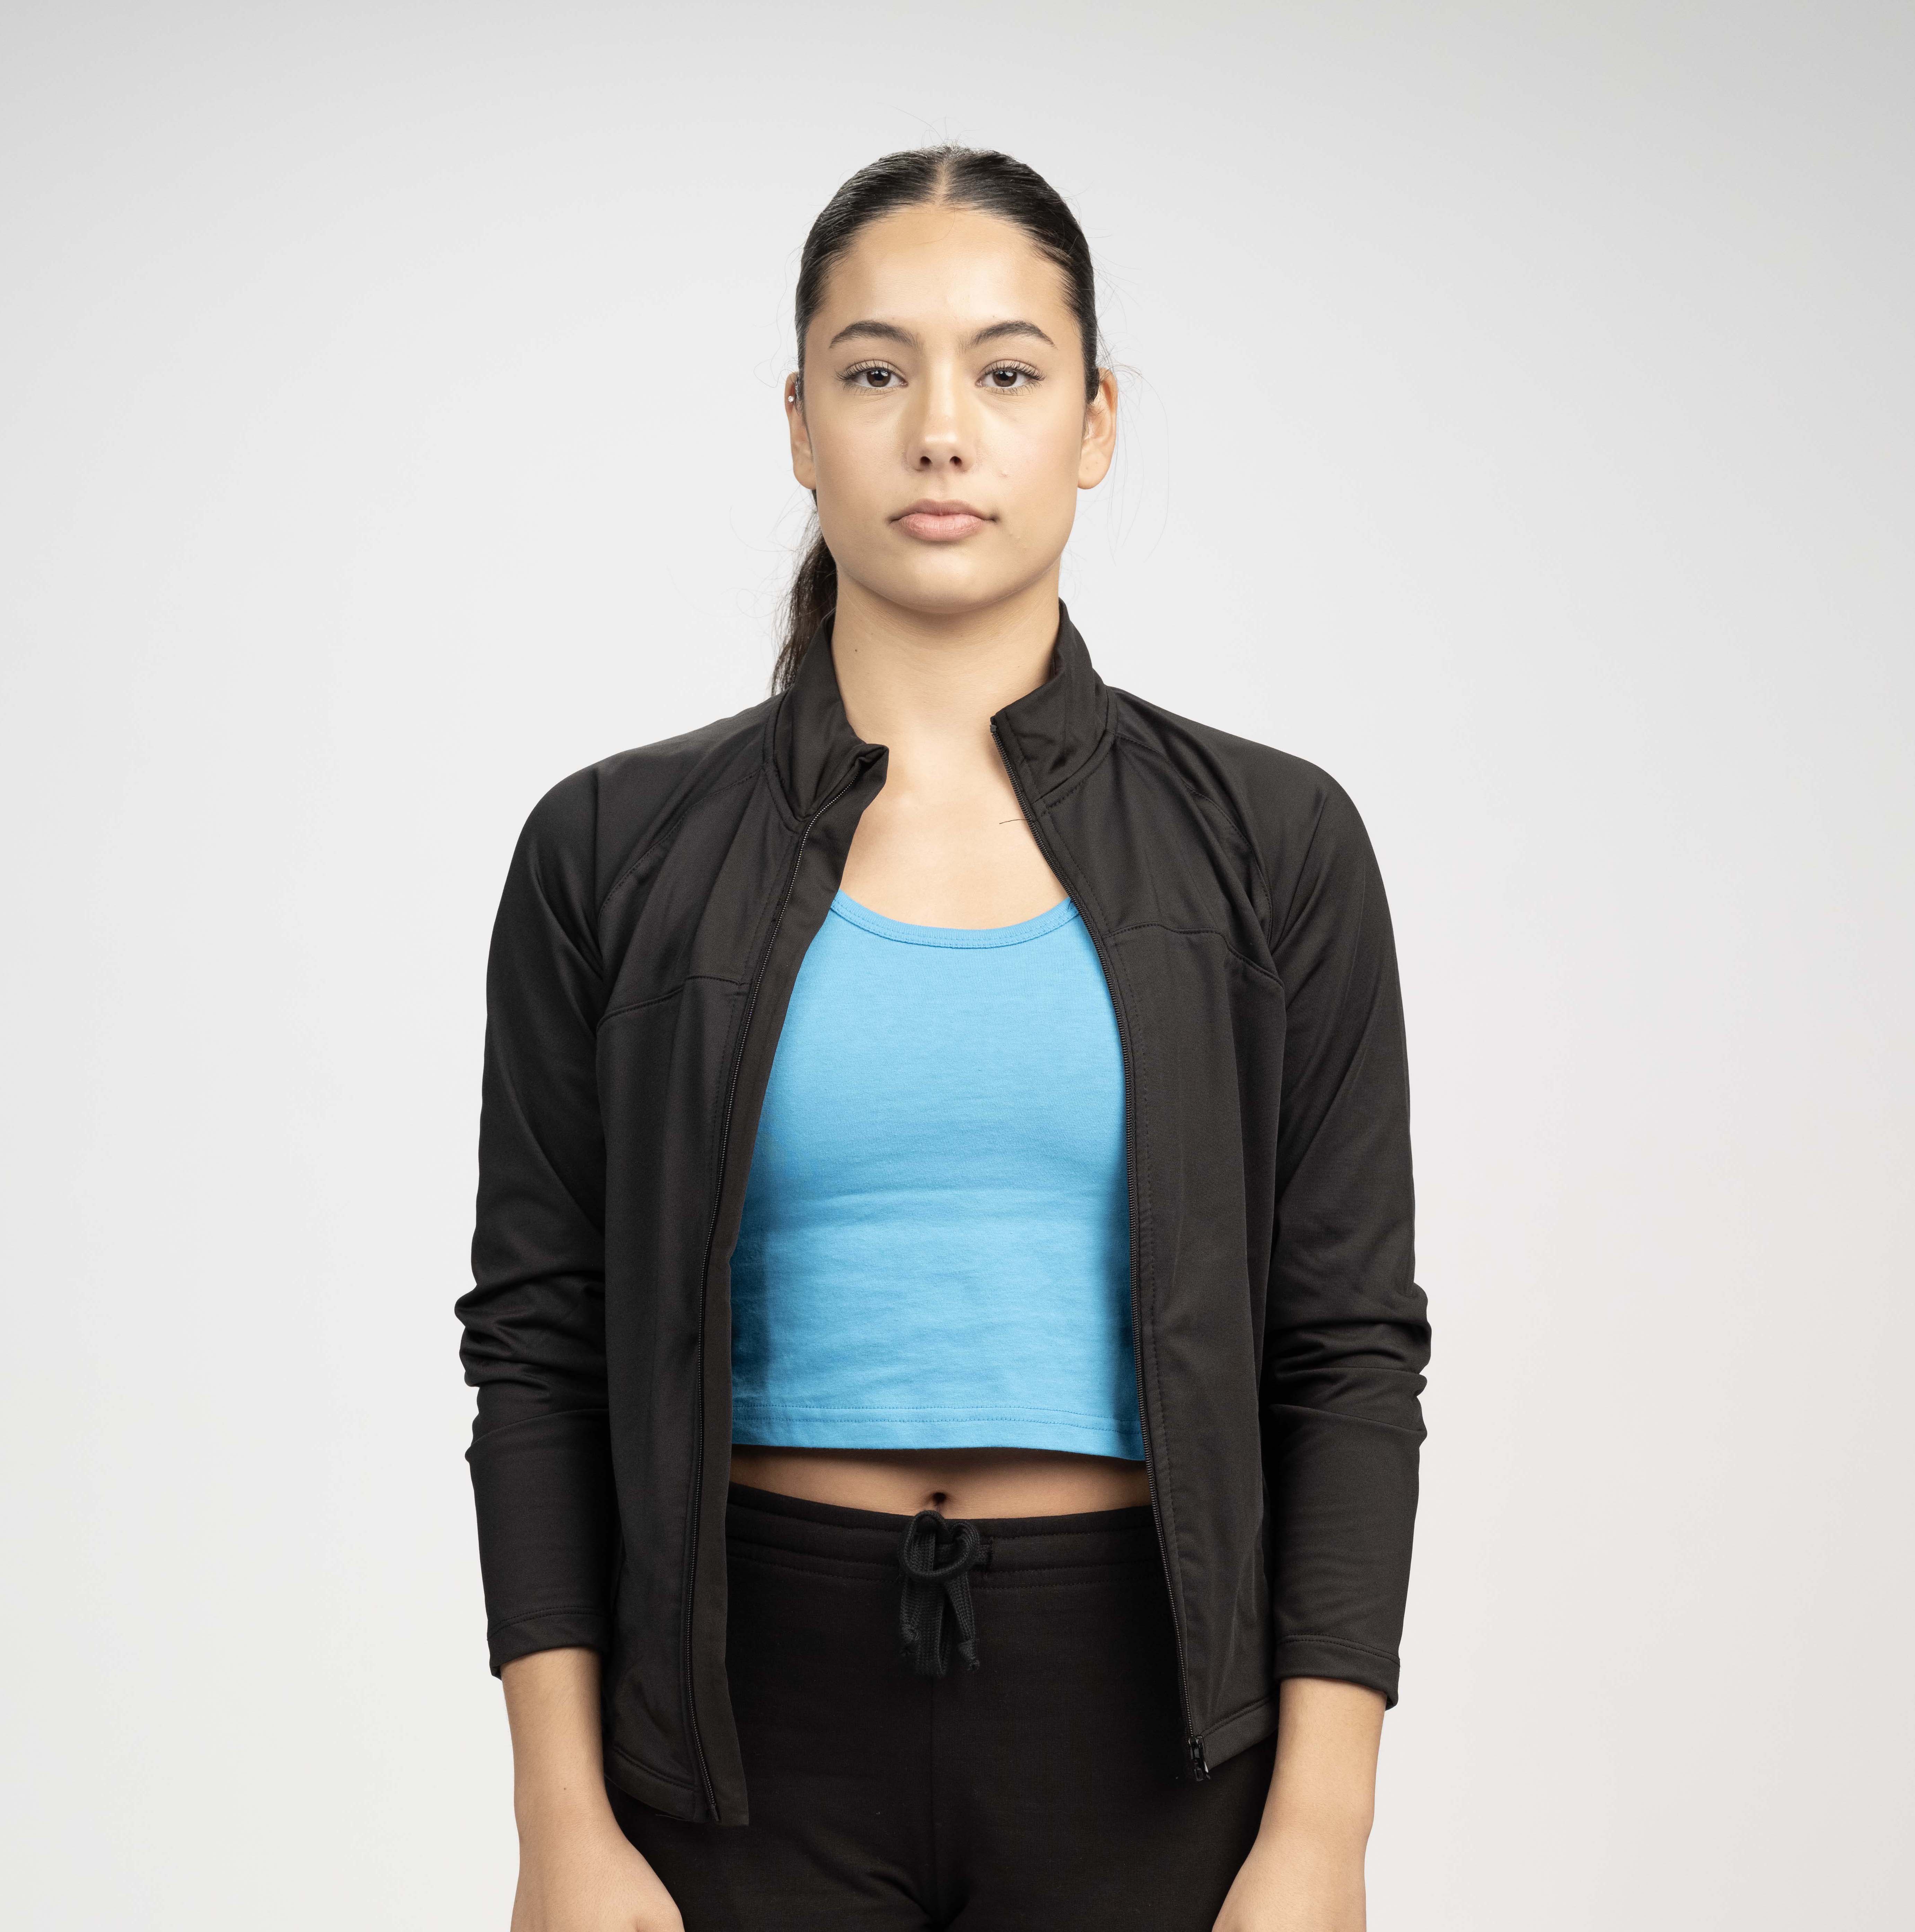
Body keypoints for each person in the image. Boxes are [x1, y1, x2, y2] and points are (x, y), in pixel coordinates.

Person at [456, 145, 1430, 1932]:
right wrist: (561, 1824)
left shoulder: (1274, 846)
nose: (940, 433)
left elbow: (1347, 1353)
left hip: (1154, 1744)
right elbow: (539, 1346)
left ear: (1096, 422)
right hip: (733, 1744)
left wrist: (1322, 1834)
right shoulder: (610, 850)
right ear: (800, 423)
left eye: (1008, 370)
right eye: (874, 370)